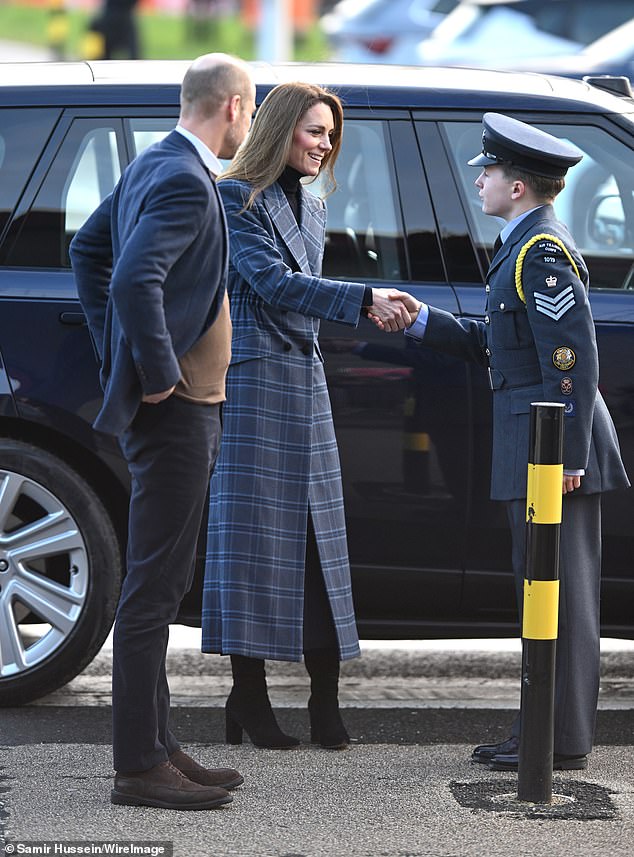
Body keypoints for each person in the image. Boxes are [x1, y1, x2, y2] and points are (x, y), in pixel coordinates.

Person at [394, 113, 630, 771]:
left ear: (519, 185)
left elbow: (572, 361)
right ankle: (542, 730)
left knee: (563, 593)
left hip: (554, 448)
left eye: (489, 169)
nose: (479, 177)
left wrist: (570, 460)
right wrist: (421, 322)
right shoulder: (521, 245)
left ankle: (559, 740)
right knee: (540, 589)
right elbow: (503, 348)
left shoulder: (541, 254)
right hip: (536, 442)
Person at [69, 53, 256, 810]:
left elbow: (88, 250)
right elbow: (129, 275)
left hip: (181, 409)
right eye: (252, 111)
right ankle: (138, 767)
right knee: (153, 590)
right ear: (234, 106)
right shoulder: (184, 178)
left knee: (164, 580)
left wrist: (112, 349)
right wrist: (151, 372)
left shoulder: (154, 161)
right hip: (177, 412)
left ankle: (159, 743)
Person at [201, 81, 412, 751]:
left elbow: (297, 294)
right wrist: (364, 298)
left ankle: (326, 699)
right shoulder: (236, 197)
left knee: (322, 546)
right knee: (252, 546)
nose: (324, 145)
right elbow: (271, 284)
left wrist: (360, 300)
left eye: (330, 134)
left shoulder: (312, 203)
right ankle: (250, 697)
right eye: (314, 131)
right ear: (281, 129)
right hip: (257, 386)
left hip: (305, 384)